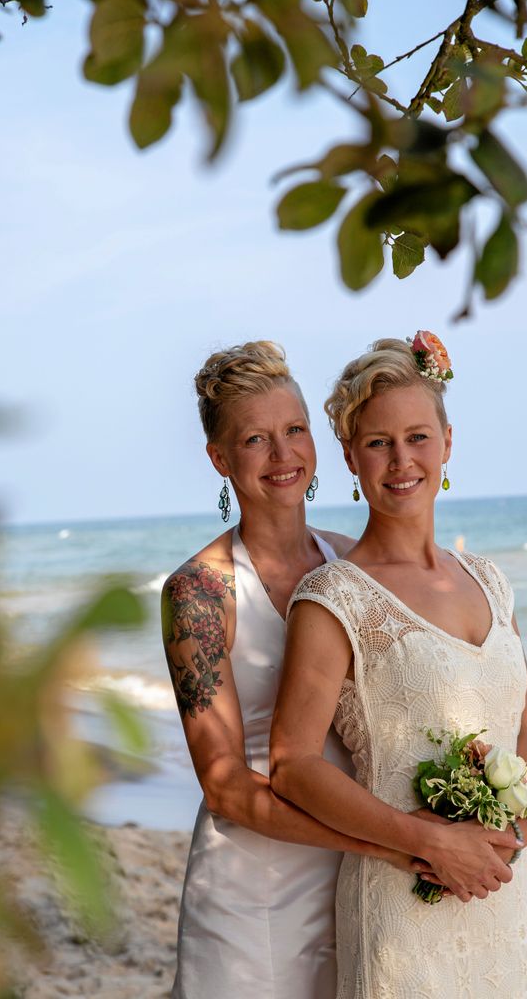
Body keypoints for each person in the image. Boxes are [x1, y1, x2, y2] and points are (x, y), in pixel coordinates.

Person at [270, 335, 527, 998]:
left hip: (503, 893)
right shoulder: (334, 597)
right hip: (403, 905)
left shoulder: (490, 581)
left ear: (447, 443)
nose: (401, 461)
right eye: (378, 443)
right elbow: (293, 765)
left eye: (417, 437)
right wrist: (429, 843)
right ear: (350, 457)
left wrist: (515, 831)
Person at [162, 341, 422, 999]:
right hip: (251, 894)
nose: (282, 456)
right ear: (220, 459)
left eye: (295, 430)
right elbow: (225, 789)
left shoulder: (350, 566)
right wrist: (386, 843)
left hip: (355, 880)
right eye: (255, 439)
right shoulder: (199, 592)